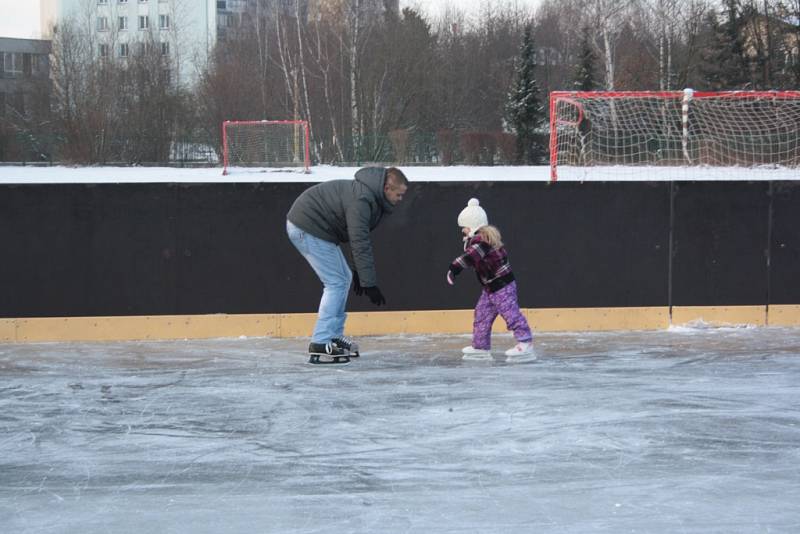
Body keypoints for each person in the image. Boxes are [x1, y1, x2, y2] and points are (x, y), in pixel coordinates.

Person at [286, 166, 409, 361]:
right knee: (335, 282)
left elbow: (356, 236)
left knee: (343, 279)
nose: (400, 199)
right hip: (307, 226)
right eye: (399, 194)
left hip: (315, 228)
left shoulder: (368, 197)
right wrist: (369, 283)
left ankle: (333, 336)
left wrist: (360, 273)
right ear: (386, 188)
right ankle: (321, 340)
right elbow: (359, 240)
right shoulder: (362, 200)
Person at [446, 198, 534, 359]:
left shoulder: (482, 241)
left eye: (464, 227)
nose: (462, 231)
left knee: (511, 314)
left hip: (502, 286)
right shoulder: (478, 240)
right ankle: (480, 346)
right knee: (482, 315)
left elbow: (470, 256)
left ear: (473, 226)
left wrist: (454, 267)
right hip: (490, 288)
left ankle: (525, 342)